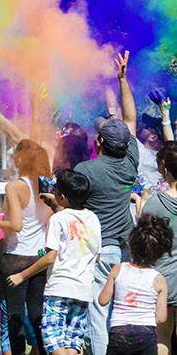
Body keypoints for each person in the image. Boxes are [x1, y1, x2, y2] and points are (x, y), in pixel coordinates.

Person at [76, 52, 141, 355]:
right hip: (126, 248)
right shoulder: (131, 161)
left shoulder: (86, 171)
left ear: (99, 142)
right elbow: (130, 119)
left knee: (98, 314)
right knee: (120, 313)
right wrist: (122, 79)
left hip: (99, 250)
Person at [7, 169, 100, 355]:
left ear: (62, 196)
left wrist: (21, 275)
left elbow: (51, 256)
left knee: (53, 339)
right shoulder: (93, 218)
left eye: (56, 190)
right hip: (83, 290)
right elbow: (97, 255)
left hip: (59, 288)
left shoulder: (58, 220)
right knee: (72, 342)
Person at [0, 139, 53, 355]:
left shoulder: (15, 186)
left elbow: (16, 225)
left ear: (19, 159)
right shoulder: (46, 186)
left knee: (15, 316)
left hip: (16, 257)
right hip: (38, 258)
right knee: (37, 313)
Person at [99, 214, 172, 355]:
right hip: (146, 335)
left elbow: (103, 300)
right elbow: (162, 317)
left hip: (119, 333)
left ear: (131, 246)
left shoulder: (118, 269)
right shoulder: (159, 279)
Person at [138, 141, 177, 353]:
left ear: (163, 166)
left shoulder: (155, 203)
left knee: (162, 334)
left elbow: (144, 240)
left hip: (165, 277)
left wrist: (141, 206)